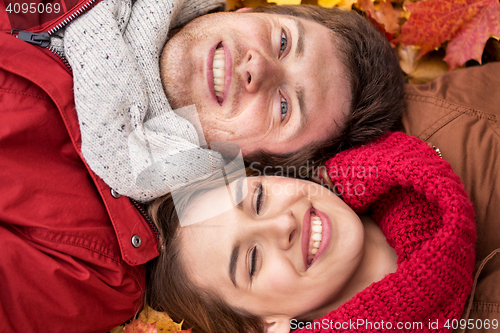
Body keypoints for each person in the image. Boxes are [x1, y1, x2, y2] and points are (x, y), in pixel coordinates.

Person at [145, 132, 477, 333]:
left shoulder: (441, 116)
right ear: (264, 325)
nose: (283, 225)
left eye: (258, 199)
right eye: (253, 259)